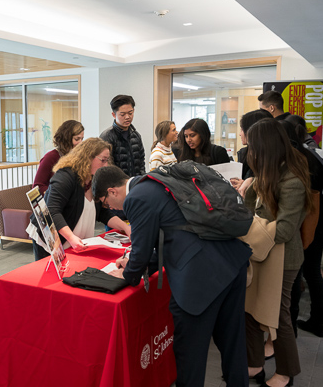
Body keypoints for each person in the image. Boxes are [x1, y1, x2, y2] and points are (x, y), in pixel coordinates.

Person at [92, 165, 252, 387]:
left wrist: (127, 274)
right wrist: (139, 262)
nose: (112, 208)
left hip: (200, 276)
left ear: (112, 191)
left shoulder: (135, 197)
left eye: (106, 203)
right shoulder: (157, 181)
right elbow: (174, 233)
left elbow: (141, 249)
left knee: (190, 355)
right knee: (233, 344)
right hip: (230, 261)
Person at [243, 120, 312, 387]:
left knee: (277, 317)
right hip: (261, 251)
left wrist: (249, 228)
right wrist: (249, 188)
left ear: (266, 147)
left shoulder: (292, 178)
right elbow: (252, 212)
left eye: (253, 145)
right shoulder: (267, 170)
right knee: (249, 311)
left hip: (283, 258)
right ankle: (254, 364)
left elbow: (284, 230)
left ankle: (286, 373)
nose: (249, 150)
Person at [26, 138, 130, 260]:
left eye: (107, 160)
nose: (106, 165)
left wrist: (126, 227)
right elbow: (52, 211)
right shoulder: (65, 176)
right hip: (52, 238)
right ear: (88, 157)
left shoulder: (94, 180)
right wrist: (71, 237)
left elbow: (102, 212)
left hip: (74, 240)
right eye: (103, 160)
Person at [279, 119, 323, 338]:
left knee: (302, 274)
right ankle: (318, 319)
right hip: (318, 225)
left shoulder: (300, 160)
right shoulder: (313, 154)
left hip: (308, 227)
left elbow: (307, 202)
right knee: (312, 272)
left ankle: (303, 325)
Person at [33, 120, 84, 195]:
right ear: (66, 138)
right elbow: (38, 186)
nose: (80, 143)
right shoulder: (51, 157)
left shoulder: (78, 157)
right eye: (77, 139)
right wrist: (57, 194)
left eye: (82, 139)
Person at [99, 94, 145, 177]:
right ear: (114, 114)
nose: (127, 117)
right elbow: (106, 166)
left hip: (135, 183)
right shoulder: (107, 136)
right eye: (122, 114)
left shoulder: (136, 135)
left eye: (130, 113)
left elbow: (141, 162)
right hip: (117, 185)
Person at [230, 109, 271, 190]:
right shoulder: (244, 153)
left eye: (242, 129)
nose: (240, 134)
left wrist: (250, 186)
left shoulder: (270, 160)